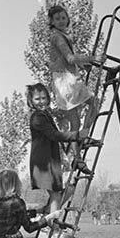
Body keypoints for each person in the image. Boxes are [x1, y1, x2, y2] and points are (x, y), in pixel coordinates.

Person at [48, 4, 104, 175]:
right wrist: (93, 58)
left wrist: (83, 65)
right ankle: (83, 139)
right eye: (57, 19)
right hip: (66, 81)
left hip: (65, 78)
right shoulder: (57, 37)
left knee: (77, 120)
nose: (61, 21)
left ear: (67, 19)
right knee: (92, 104)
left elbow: (65, 60)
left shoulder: (62, 36)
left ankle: (78, 155)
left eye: (63, 18)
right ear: (52, 21)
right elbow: (70, 58)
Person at [27, 82, 78, 217]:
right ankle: (53, 223)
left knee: (69, 188)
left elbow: (55, 137)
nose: (41, 102)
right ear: (31, 101)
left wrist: (64, 157)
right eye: (37, 99)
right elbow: (54, 135)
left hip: (52, 160)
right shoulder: (37, 117)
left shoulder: (45, 115)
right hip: (44, 164)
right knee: (55, 194)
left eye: (44, 98)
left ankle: (47, 211)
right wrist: (75, 135)